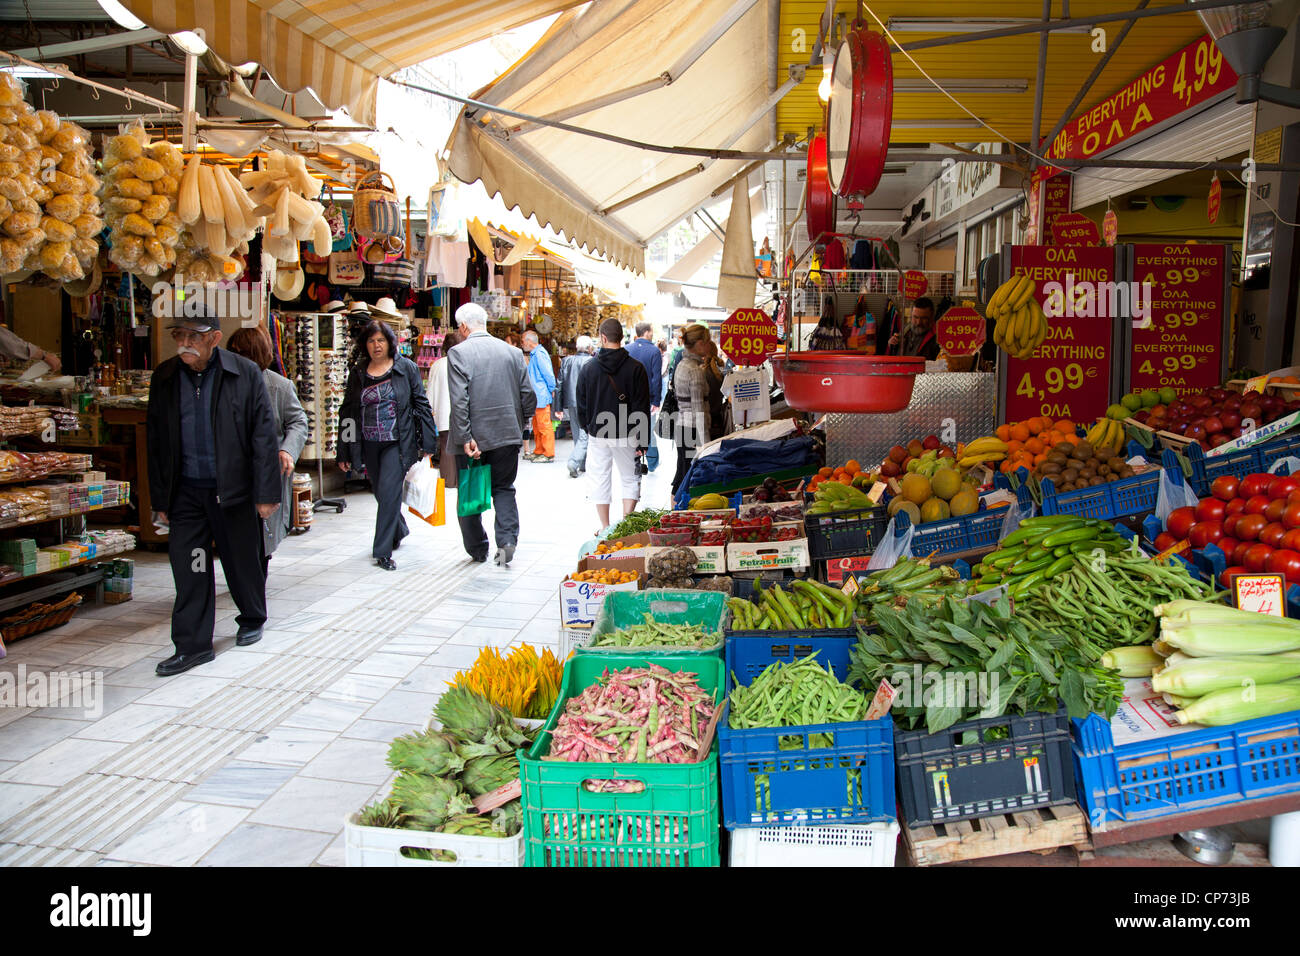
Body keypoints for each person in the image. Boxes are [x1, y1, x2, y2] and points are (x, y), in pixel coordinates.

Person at [146, 310, 281, 677]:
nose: (185, 344)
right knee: (191, 565)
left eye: (193, 337)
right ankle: (192, 645)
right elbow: (156, 441)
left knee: (241, 561)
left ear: (214, 339)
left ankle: (252, 616)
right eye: (180, 336)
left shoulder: (244, 374)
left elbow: (263, 436)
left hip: (232, 490)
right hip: (186, 492)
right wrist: (160, 500)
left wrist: (266, 492)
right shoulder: (165, 377)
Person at [337, 320, 437, 571]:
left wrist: (428, 441)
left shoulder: (406, 368)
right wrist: (345, 448)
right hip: (369, 442)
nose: (376, 345)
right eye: (371, 341)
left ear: (390, 342)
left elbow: (421, 404)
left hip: (397, 442)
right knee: (382, 493)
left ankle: (382, 552)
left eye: (381, 340)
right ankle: (399, 528)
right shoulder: (359, 372)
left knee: (390, 490)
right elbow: (348, 411)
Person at [447, 303, 536, 566]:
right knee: (504, 488)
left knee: (472, 490)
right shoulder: (512, 352)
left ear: (463, 327)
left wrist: (465, 437)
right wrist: (520, 423)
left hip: (475, 438)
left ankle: (478, 548)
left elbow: (459, 400)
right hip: (507, 433)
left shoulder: (458, 353)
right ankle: (507, 541)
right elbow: (527, 395)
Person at [226, 324, 309, 576]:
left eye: (245, 353)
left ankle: (254, 582)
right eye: (233, 353)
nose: (238, 359)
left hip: (266, 469)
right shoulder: (223, 385)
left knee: (263, 532)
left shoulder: (279, 387)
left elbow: (298, 421)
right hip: (233, 470)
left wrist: (287, 450)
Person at [577, 319, 651, 529]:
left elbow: (580, 405)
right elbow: (641, 406)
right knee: (629, 478)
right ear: (622, 337)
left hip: (598, 433)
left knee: (600, 478)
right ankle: (625, 525)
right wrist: (643, 440)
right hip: (627, 433)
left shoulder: (588, 368)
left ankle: (605, 527)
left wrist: (588, 427)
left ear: (602, 337)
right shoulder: (636, 368)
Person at [670, 323, 715, 497]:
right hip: (693, 431)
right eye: (707, 342)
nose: (709, 345)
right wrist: (705, 445)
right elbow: (698, 410)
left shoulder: (682, 365)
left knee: (681, 474)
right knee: (689, 478)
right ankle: (678, 515)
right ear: (699, 344)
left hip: (682, 428)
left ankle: (674, 514)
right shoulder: (695, 371)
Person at [426, 324, 466, 489]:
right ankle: (461, 478)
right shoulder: (463, 363)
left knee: (446, 446)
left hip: (443, 412)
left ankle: (449, 480)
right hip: (461, 412)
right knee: (462, 446)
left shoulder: (438, 365)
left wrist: (430, 411)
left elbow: (431, 390)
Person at [556, 335, 595, 478]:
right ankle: (574, 462)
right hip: (587, 402)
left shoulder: (567, 361)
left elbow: (559, 385)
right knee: (584, 434)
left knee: (577, 433)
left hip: (572, 402)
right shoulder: (592, 361)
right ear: (589, 348)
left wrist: (558, 408)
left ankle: (582, 464)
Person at [626, 322, 663, 472]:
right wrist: (656, 400)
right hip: (647, 398)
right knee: (648, 429)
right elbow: (656, 378)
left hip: (629, 398)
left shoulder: (627, 349)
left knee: (631, 428)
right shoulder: (654, 351)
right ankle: (652, 463)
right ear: (647, 332)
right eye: (652, 331)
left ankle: (632, 459)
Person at [521, 330, 557, 462]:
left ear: (530, 342)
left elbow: (548, 374)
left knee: (544, 425)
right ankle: (539, 451)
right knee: (537, 425)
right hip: (536, 396)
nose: (522, 344)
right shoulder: (535, 354)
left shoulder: (540, 354)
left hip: (541, 395)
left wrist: (552, 389)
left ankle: (548, 454)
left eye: (523, 341)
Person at [889, 297, 941, 361]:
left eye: (924, 318)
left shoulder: (938, 338)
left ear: (932, 317)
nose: (919, 322)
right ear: (911, 315)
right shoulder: (905, 330)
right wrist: (892, 344)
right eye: (915, 317)